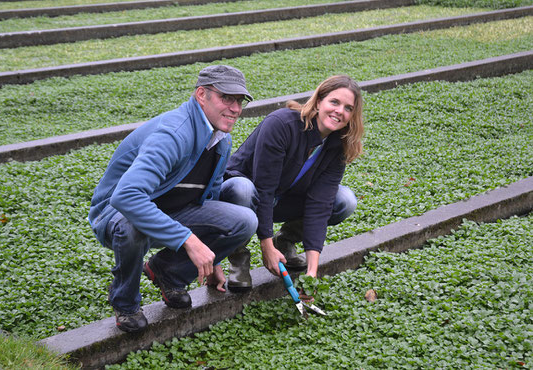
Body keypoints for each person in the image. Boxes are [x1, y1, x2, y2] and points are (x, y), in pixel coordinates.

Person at [88, 65, 258, 333]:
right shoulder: (173, 133)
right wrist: (188, 240)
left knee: (244, 220)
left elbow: (210, 196)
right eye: (227, 98)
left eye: (239, 101)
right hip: (115, 215)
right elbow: (127, 197)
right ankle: (125, 301)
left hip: (172, 210)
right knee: (134, 226)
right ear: (202, 94)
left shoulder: (221, 139)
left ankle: (168, 272)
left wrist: (213, 261)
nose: (235, 108)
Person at [220, 75, 364, 292]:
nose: (339, 111)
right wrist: (265, 247)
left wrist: (312, 273)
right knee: (243, 189)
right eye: (334, 102)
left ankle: (285, 241)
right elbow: (264, 188)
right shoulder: (282, 124)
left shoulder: (337, 145)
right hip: (244, 196)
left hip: (284, 199)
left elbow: (321, 203)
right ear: (318, 102)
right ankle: (238, 258)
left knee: (344, 201)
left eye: (348, 108)